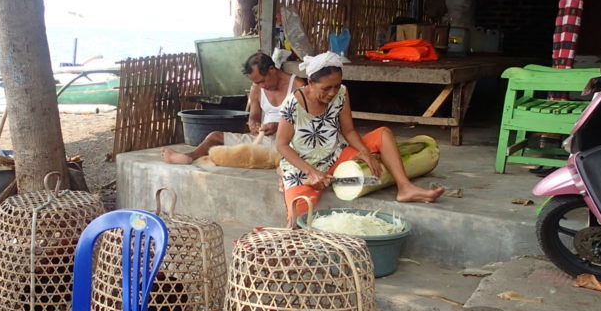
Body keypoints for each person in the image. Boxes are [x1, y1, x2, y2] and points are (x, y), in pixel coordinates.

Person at [276, 51, 444, 220]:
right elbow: (281, 145)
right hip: (303, 168)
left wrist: (364, 151)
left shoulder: (341, 92)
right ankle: (285, 177)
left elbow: (348, 130)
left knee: (383, 134)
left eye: (336, 85)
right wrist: (311, 172)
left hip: (334, 156)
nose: (332, 92)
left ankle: (405, 187)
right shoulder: (293, 103)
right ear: (310, 82)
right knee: (298, 217)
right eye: (326, 88)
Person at [161, 52, 306, 164]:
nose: (261, 86)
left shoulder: (298, 85)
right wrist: (254, 124)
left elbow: (306, 122)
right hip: (264, 140)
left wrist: (278, 126)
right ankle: (188, 157)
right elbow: (254, 116)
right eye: (257, 82)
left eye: (263, 81)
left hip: (289, 143)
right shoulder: (257, 87)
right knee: (214, 136)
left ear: (272, 69)